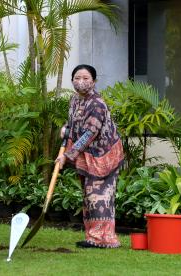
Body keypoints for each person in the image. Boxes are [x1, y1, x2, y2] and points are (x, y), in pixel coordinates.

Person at [56, 64, 124, 248]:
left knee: (99, 196)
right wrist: (65, 128)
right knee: (88, 195)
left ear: (94, 81)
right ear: (72, 81)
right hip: (89, 156)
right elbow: (72, 122)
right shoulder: (74, 100)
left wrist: (67, 156)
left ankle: (105, 239)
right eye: (77, 78)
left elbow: (89, 133)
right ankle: (92, 237)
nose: (81, 82)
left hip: (105, 156)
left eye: (86, 78)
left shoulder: (97, 104)